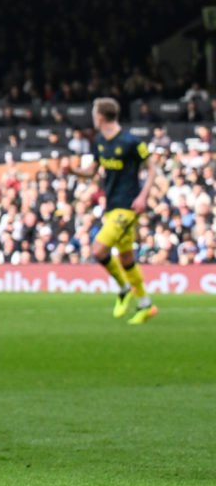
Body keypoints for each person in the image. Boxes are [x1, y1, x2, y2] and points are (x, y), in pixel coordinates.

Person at [57, 98, 160, 324]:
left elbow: (152, 167)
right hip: (111, 207)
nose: (93, 119)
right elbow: (92, 172)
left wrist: (143, 196)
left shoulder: (131, 141)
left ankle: (124, 289)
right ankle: (145, 304)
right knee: (126, 259)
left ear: (100, 117)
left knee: (99, 249)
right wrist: (73, 171)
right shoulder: (100, 141)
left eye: (94, 115)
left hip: (129, 207)